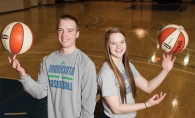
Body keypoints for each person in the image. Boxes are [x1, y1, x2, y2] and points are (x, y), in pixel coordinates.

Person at [8, 15, 97, 118]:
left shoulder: (85, 64)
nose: (64, 34)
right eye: (60, 30)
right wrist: (23, 76)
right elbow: (40, 92)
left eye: (70, 30)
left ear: (77, 34)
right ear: (57, 32)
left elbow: (88, 104)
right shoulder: (48, 61)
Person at [97, 27, 176, 118]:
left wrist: (165, 71)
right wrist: (146, 104)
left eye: (122, 42)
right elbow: (116, 108)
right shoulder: (106, 73)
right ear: (107, 46)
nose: (118, 46)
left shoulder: (127, 65)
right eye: (113, 43)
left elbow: (147, 87)